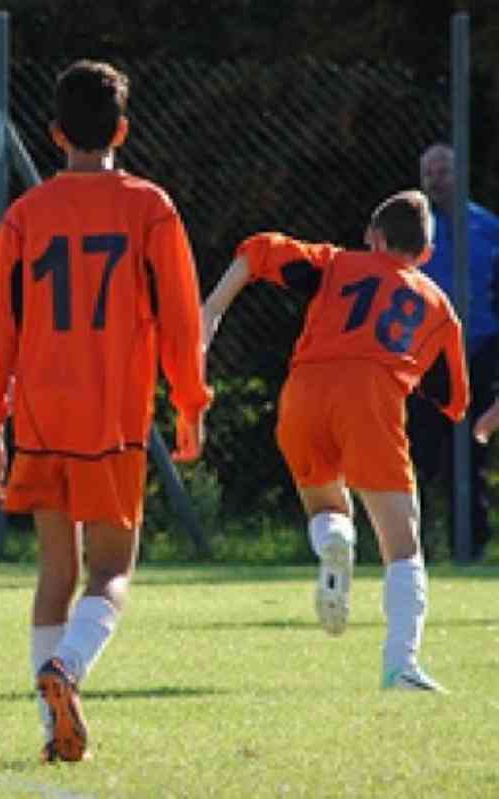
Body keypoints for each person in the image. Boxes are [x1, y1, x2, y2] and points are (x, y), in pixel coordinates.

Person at [0, 60, 211, 764]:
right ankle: (67, 669)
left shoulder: (25, 215)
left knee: (55, 568)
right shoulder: (150, 206)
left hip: (43, 415)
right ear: (124, 130)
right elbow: (178, 316)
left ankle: (53, 727)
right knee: (112, 572)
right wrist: (190, 400)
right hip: (112, 421)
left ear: (52, 135)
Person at [204, 190, 468, 693]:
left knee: (324, 497)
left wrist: (211, 309)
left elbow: (260, 250)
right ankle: (401, 665)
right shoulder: (437, 307)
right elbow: (453, 397)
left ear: (373, 237)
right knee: (402, 543)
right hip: (370, 400)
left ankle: (334, 541)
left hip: (304, 390)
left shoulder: (336, 264)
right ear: (427, 255)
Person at [405, 144, 499, 562]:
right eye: (429, 172)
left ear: (460, 174)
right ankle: (412, 544)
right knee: (419, 449)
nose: (435, 179)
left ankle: (472, 548)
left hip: (478, 349)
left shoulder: (487, 227)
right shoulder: (412, 228)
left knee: (473, 451)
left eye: (443, 171)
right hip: (426, 355)